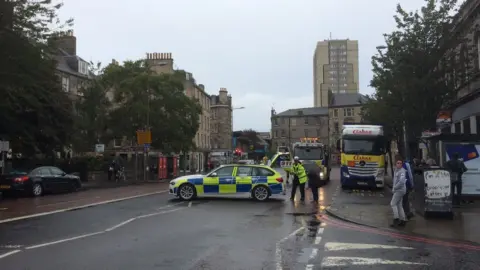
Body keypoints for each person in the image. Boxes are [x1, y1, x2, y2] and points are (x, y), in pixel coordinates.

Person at [391, 158, 407, 227]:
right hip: (398, 190)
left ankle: (396, 218)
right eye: (398, 163)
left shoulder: (402, 171)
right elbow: (395, 181)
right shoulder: (396, 170)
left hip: (400, 190)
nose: (399, 164)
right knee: (399, 205)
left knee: (392, 203)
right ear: (395, 164)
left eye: (400, 163)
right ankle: (403, 220)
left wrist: (395, 188)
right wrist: (393, 188)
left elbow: (401, 182)